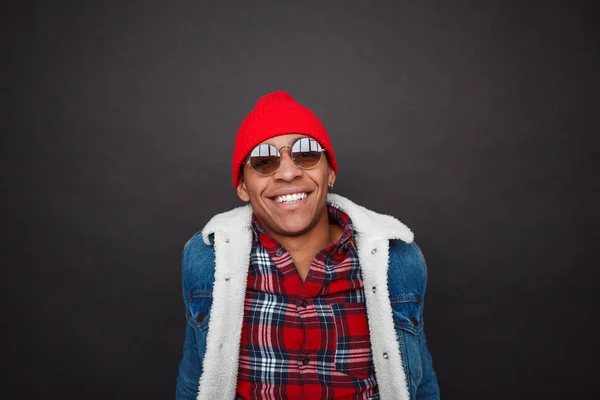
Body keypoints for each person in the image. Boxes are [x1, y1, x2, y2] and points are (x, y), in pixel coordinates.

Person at [176, 91, 440, 400]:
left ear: (330, 172)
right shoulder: (208, 260)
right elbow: (194, 380)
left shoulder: (397, 261)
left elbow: (420, 382)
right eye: (264, 161)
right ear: (243, 187)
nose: (288, 173)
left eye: (306, 153)